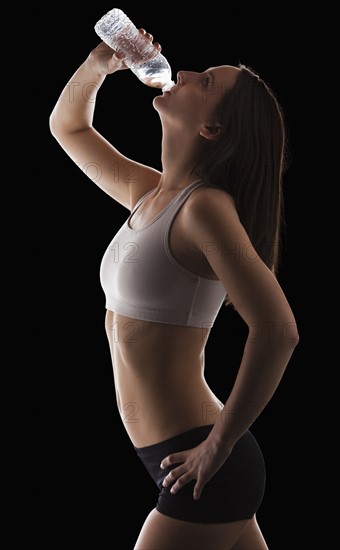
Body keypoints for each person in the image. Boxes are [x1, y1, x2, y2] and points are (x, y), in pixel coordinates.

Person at [50, 29, 299, 550]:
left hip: (200, 466)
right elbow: (68, 126)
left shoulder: (205, 211)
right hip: (176, 459)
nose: (182, 72)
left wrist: (219, 446)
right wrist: (99, 65)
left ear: (211, 127)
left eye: (203, 82)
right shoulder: (151, 195)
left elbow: (277, 330)